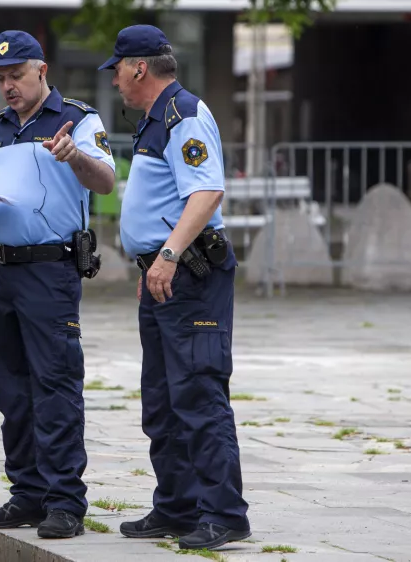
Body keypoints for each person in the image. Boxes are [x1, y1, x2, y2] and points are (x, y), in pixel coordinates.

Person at [0, 30, 116, 539]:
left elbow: (105, 181)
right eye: (0, 79)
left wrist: (74, 157)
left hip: (49, 271)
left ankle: (65, 502)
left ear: (41, 70)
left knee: (55, 384)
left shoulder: (78, 119)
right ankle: (27, 493)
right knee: (11, 388)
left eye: (15, 75)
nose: (7, 87)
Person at [97, 25, 251, 551]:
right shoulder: (156, 119)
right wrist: (152, 266)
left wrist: (166, 255)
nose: (114, 79)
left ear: (139, 67)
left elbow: (206, 192)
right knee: (163, 399)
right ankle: (178, 507)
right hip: (164, 276)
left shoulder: (182, 115)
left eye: (117, 68)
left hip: (188, 275)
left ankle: (224, 513)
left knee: (198, 393)